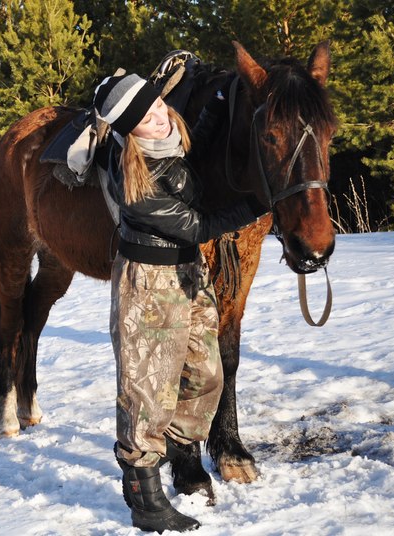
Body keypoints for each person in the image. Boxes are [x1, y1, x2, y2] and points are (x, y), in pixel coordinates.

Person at [93, 73, 268, 532]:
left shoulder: (170, 135)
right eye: (145, 120)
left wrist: (212, 108)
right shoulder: (136, 179)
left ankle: (177, 446)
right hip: (150, 281)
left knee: (207, 372)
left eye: (156, 107)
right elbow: (194, 227)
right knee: (146, 391)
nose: (157, 118)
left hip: (190, 275)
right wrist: (255, 206)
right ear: (129, 135)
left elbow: (191, 147)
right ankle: (144, 496)